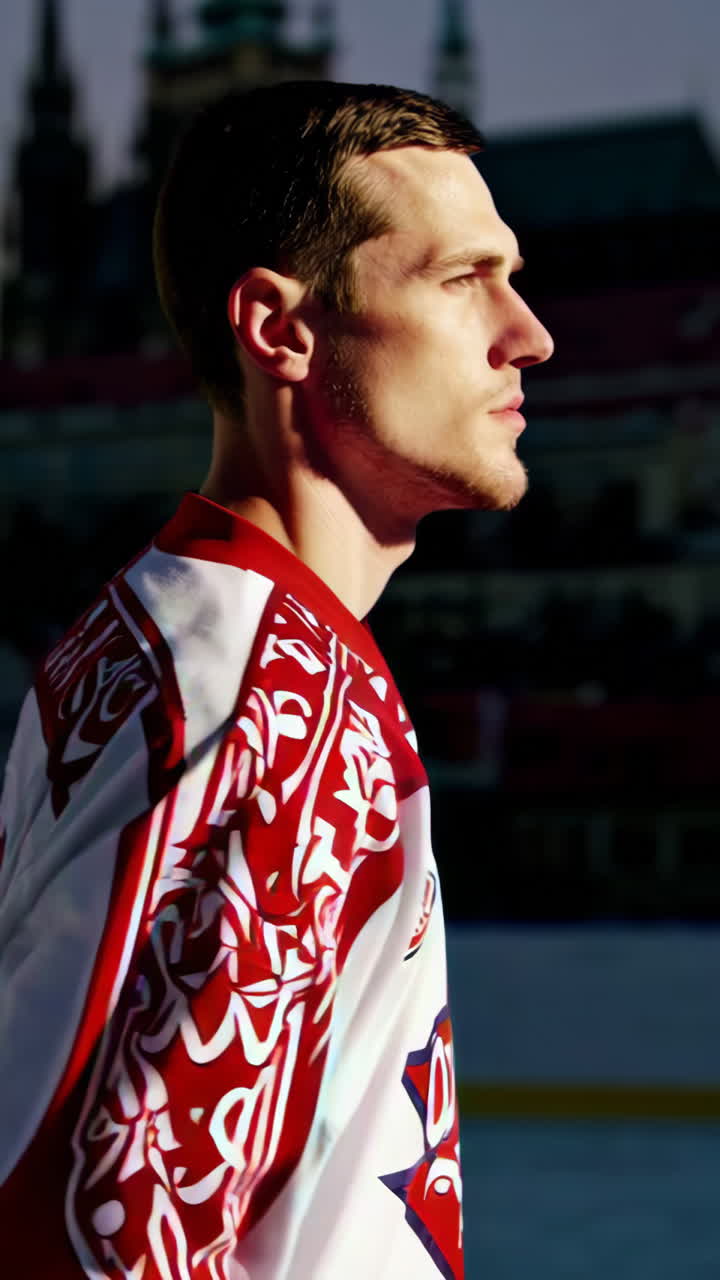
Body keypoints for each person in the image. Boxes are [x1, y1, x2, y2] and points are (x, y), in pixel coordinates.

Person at [0, 81, 553, 1278]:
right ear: (280, 330)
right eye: (463, 279)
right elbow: (110, 1231)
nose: (529, 333)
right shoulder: (274, 698)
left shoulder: (148, 632)